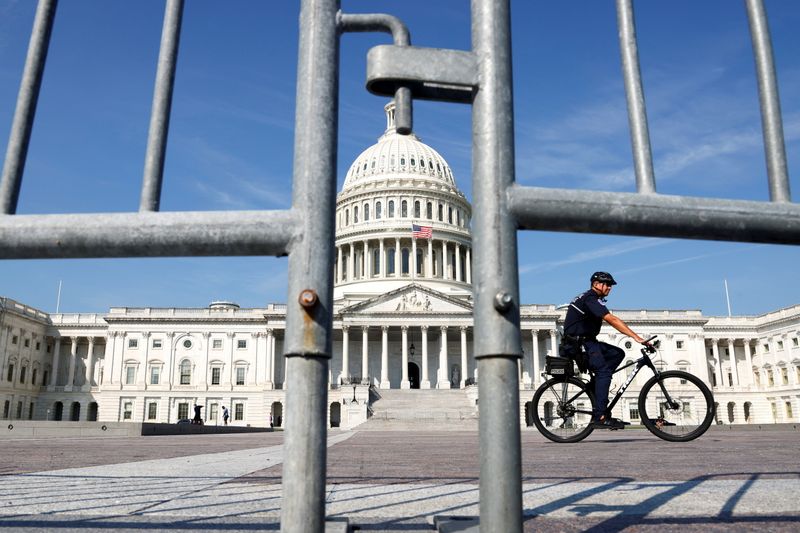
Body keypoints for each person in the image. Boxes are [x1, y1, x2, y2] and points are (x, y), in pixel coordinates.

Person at [562, 272, 649, 430]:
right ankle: (600, 416)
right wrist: (636, 337)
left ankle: (597, 388)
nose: (609, 287)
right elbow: (611, 319)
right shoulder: (590, 298)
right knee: (604, 372)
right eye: (607, 284)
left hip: (587, 341)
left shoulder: (590, 298)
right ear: (596, 284)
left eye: (611, 285)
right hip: (579, 344)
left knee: (617, 353)